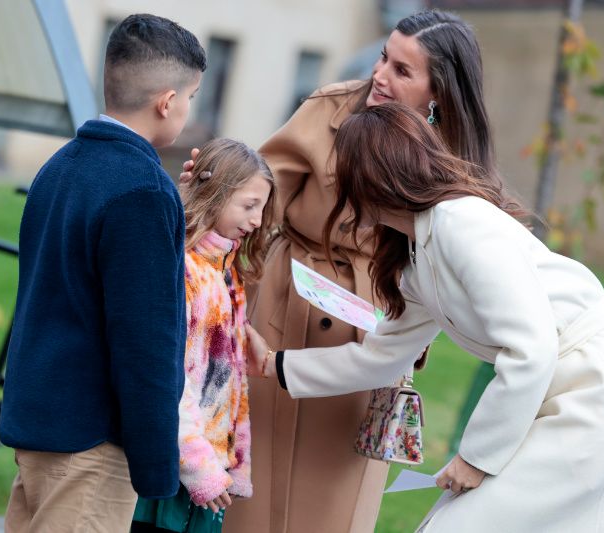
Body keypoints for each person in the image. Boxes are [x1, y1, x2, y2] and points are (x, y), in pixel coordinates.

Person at [250, 103, 604, 532]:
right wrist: (274, 364)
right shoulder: (415, 253)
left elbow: (531, 348)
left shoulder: (460, 223)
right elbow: (381, 359)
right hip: (556, 391)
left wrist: (475, 458)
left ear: (370, 177)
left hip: (598, 389)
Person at [180, 10, 501, 533]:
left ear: (438, 91)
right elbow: (256, 192)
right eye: (383, 58)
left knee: (332, 504)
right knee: (254, 492)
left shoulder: (457, 156)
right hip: (287, 308)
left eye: (402, 70)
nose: (380, 75)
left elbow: (449, 261)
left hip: (375, 326)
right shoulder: (331, 107)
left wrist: (420, 334)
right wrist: (212, 188)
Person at [0, 14, 206, 532]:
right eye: (191, 97)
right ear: (167, 102)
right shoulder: (143, 190)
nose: (187, 108)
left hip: (39, 423)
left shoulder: (61, 166)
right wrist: (159, 465)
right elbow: (145, 341)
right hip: (91, 444)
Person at [131, 139, 276, 533]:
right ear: (214, 195)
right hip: (176, 468)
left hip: (205, 467)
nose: (258, 220)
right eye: (249, 206)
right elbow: (170, 380)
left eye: (262, 208)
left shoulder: (226, 275)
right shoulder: (186, 274)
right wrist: (198, 467)